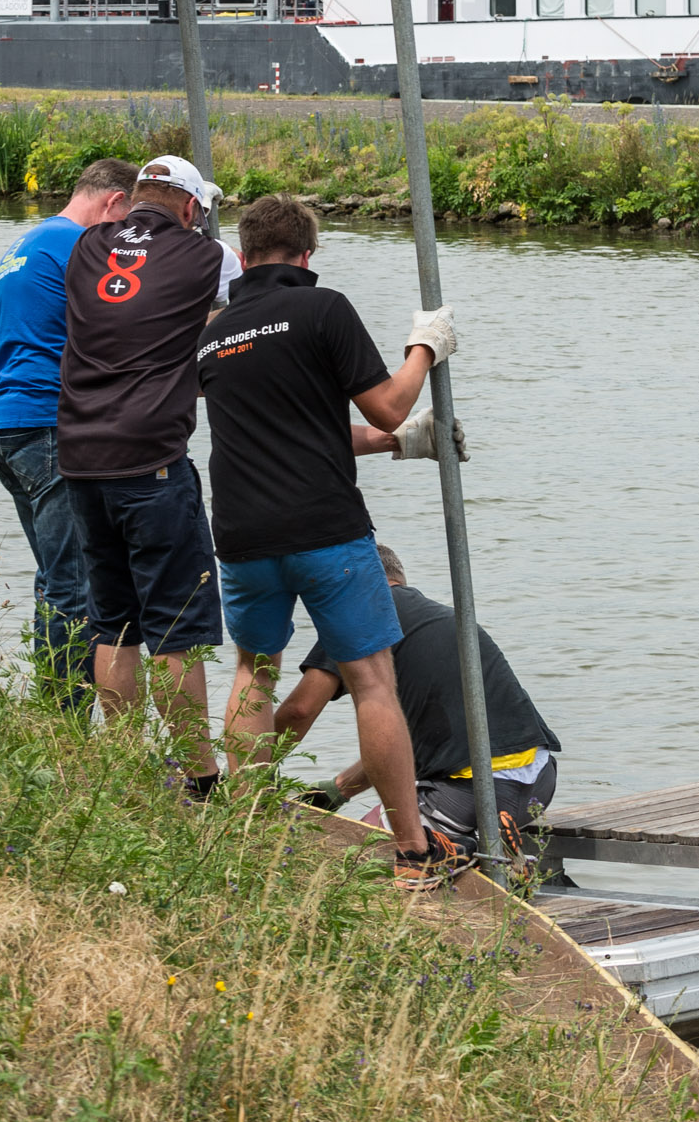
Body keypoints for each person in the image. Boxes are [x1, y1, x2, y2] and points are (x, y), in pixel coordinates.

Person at [196, 191, 467, 887]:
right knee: (373, 681)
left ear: (245, 256)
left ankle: (245, 823)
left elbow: (294, 429)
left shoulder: (214, 332)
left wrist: (394, 446)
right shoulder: (323, 307)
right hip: (324, 527)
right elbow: (388, 401)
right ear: (308, 255)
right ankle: (412, 852)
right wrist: (424, 348)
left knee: (254, 672)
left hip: (242, 533)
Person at [59, 154, 240, 792]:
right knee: (175, 627)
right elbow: (234, 321)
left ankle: (127, 765)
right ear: (192, 208)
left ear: (136, 195)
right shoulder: (207, 257)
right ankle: (199, 775)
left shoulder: (85, 249)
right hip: (151, 462)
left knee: (113, 620)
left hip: (79, 455)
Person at [275, 544, 561, 864]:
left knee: (361, 853)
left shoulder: (361, 616)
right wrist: (339, 789)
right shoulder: (443, 619)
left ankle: (468, 855)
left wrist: (251, 771)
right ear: (399, 577)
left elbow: (299, 710)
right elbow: (400, 747)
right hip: (538, 785)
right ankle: (494, 855)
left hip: (473, 793)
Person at [0, 156, 140, 706]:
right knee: (76, 584)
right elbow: (123, 322)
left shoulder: (26, 244)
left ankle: (52, 714)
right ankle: (63, 726)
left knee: (55, 578)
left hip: (5, 425)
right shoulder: (78, 246)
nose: (126, 241)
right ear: (113, 203)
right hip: (47, 424)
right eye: (127, 227)